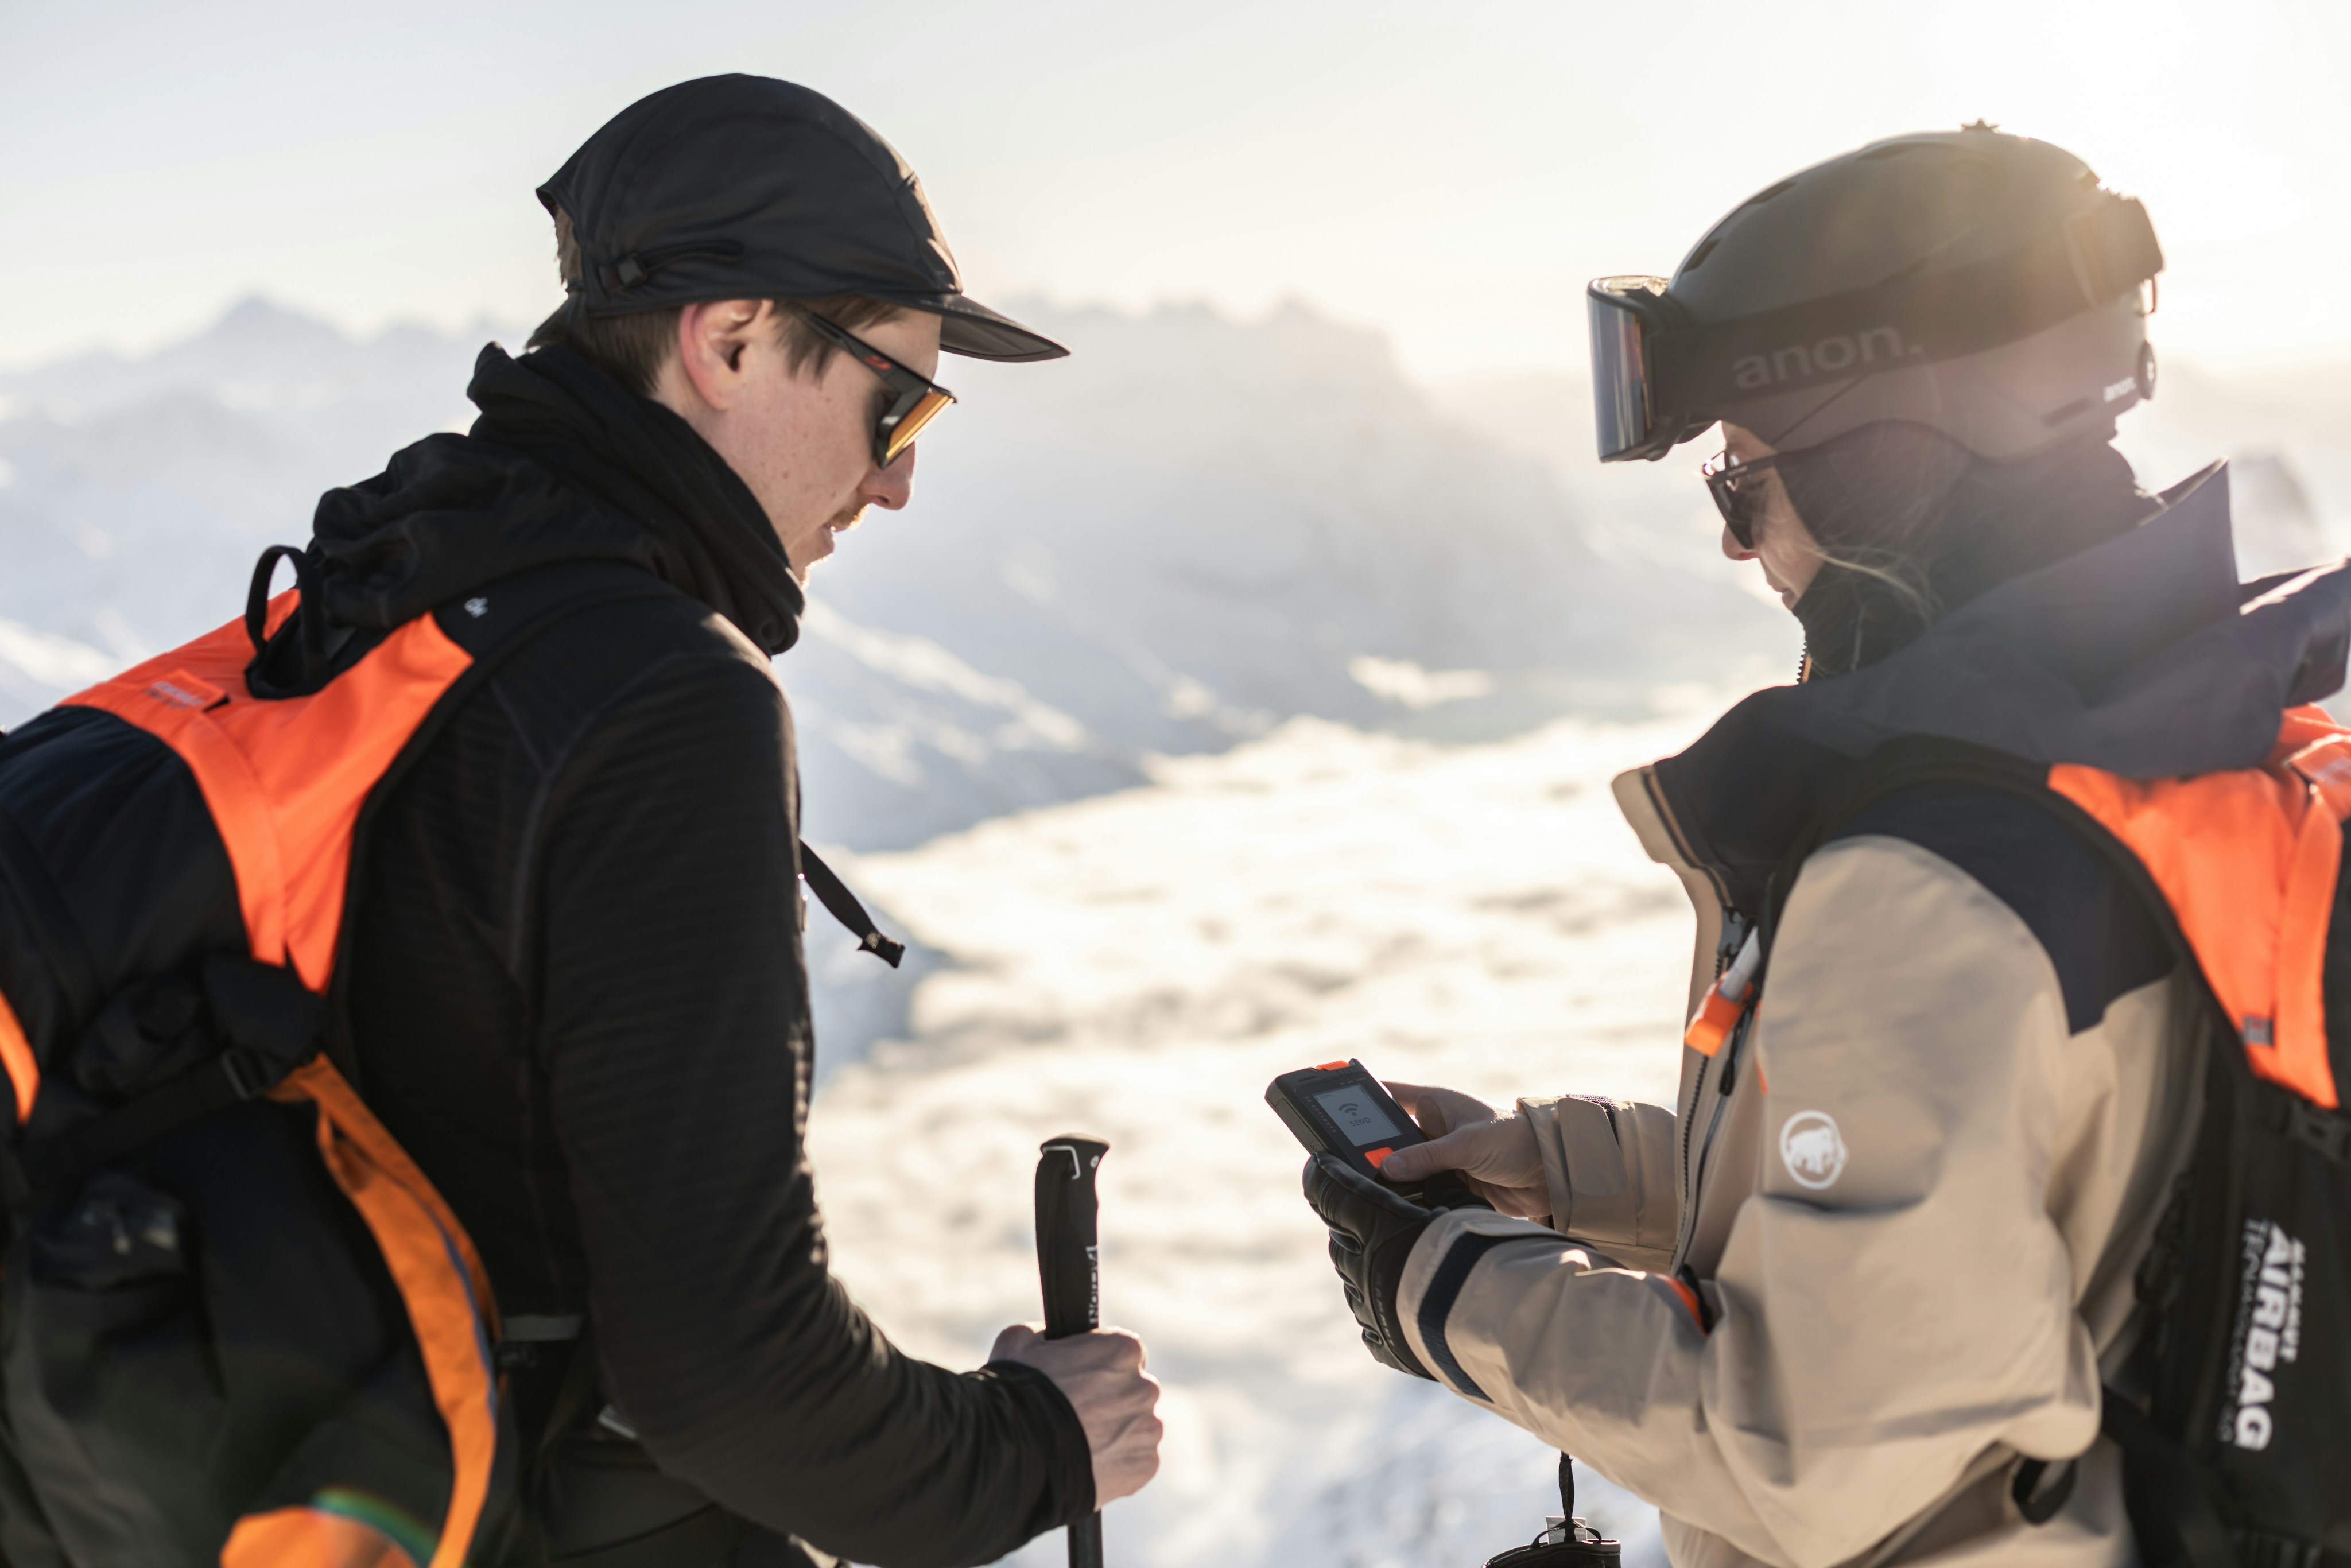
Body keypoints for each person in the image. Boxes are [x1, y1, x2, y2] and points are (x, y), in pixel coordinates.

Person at [1298, 126, 2335, 1566]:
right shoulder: (2206, 737)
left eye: (1744, 481)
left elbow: (1800, 1449)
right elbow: (1988, 1214)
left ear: (1887, 465)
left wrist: (1448, 1290)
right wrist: (1568, 1174)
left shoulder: (1930, 880)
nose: (1739, 547)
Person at [318, 76, 1159, 1566]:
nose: (898, 478)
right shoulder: (656, 695)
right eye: (897, 401)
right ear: (729, 342)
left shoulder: (407, 591)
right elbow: (729, 1377)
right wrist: (1035, 1439)